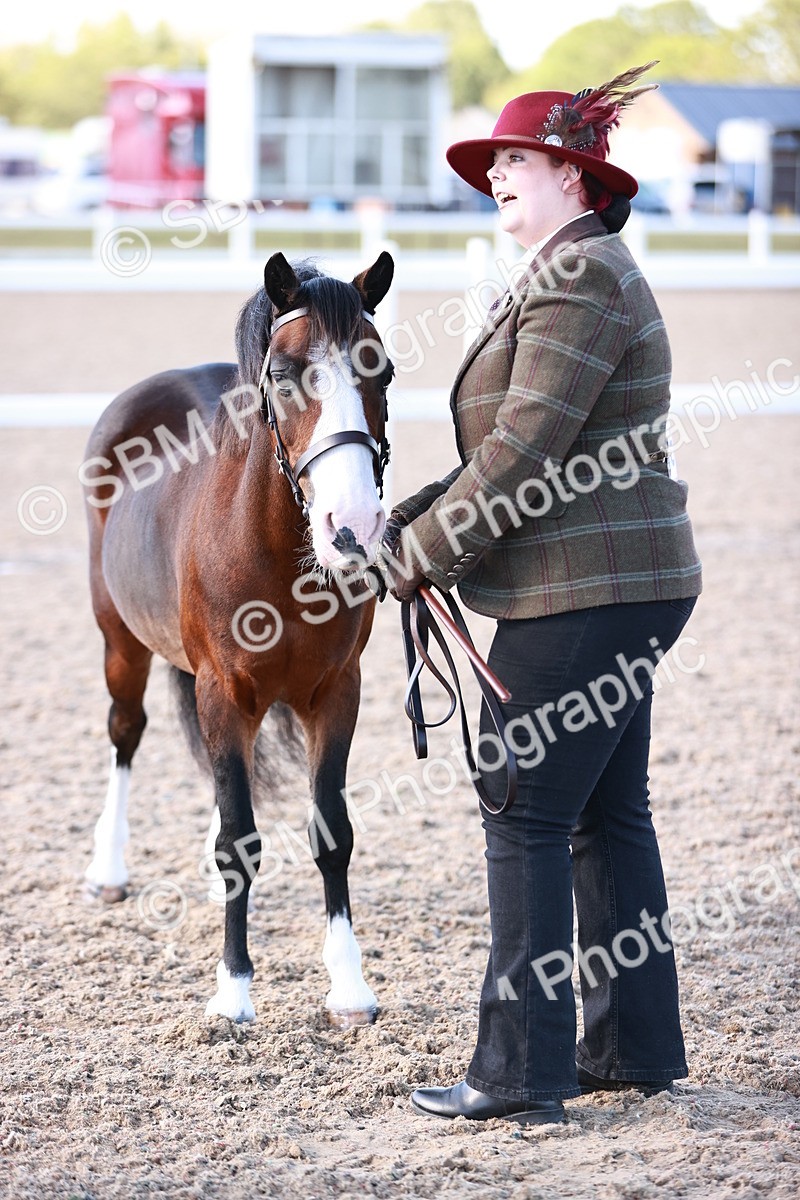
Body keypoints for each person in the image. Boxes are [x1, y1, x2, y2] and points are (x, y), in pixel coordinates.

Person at [381, 62, 702, 1125]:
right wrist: (412, 517)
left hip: (582, 593)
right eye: (494, 167)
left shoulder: (578, 279)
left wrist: (416, 552)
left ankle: (517, 1073)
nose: (496, 180)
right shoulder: (574, 271)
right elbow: (510, 445)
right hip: (619, 586)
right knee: (604, 815)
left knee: (519, 813)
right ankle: (633, 1049)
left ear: (572, 175)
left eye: (513, 163)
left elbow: (524, 455)